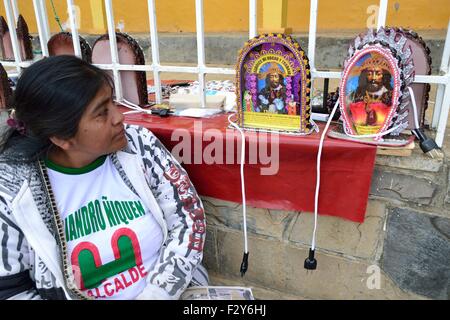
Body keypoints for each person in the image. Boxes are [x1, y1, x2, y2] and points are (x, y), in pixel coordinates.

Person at [0, 55, 208, 300]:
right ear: (61, 137)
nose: (119, 117)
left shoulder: (139, 144)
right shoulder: (12, 192)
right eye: (101, 113)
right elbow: (11, 291)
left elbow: (188, 219)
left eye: (111, 102)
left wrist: (158, 293)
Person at [348, 56, 393, 129]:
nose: (373, 78)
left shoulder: (391, 95)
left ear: (384, 77)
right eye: (369, 74)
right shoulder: (356, 94)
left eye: (378, 74)